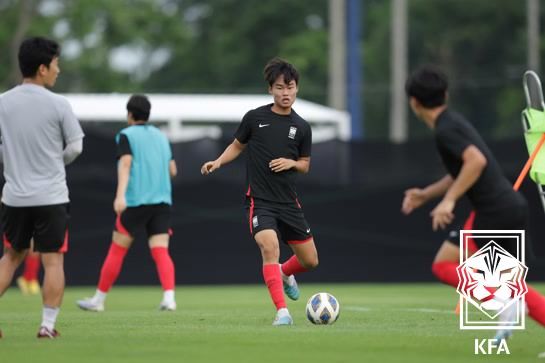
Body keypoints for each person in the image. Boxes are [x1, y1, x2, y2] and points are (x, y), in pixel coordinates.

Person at [402, 64, 545, 339]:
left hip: (495, 212)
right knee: (515, 288)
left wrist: (449, 201)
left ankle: (506, 304)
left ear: (414, 102)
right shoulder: (451, 122)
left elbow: (475, 162)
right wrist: (427, 194)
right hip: (507, 208)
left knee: (444, 265)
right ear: (445, 94)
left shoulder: (446, 130)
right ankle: (508, 303)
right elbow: (461, 170)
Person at [200, 58, 318, 326]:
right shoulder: (255, 118)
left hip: (289, 203)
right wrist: (218, 161)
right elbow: (237, 146)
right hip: (261, 201)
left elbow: (305, 165)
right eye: (279, 88)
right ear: (270, 90)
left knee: (310, 261)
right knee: (269, 246)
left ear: (297, 89)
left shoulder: (302, 127)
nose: (285, 93)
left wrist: (292, 163)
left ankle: (285, 273)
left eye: (290, 87)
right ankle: (282, 312)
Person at [0, 36, 84, 338]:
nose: (58, 70)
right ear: (42, 68)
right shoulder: (59, 104)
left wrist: (13, 161)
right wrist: (54, 162)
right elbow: (75, 146)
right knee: (53, 260)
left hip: (14, 196)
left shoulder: (3, 102)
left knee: (10, 257)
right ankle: (47, 326)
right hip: (51, 195)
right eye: (55, 64)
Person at [77, 94, 177, 312]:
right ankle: (169, 298)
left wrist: (120, 195)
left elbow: (126, 163)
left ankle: (98, 300)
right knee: (160, 251)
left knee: (117, 249)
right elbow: (173, 170)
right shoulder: (161, 136)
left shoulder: (126, 135)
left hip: (135, 201)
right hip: (161, 202)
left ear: (130, 114)